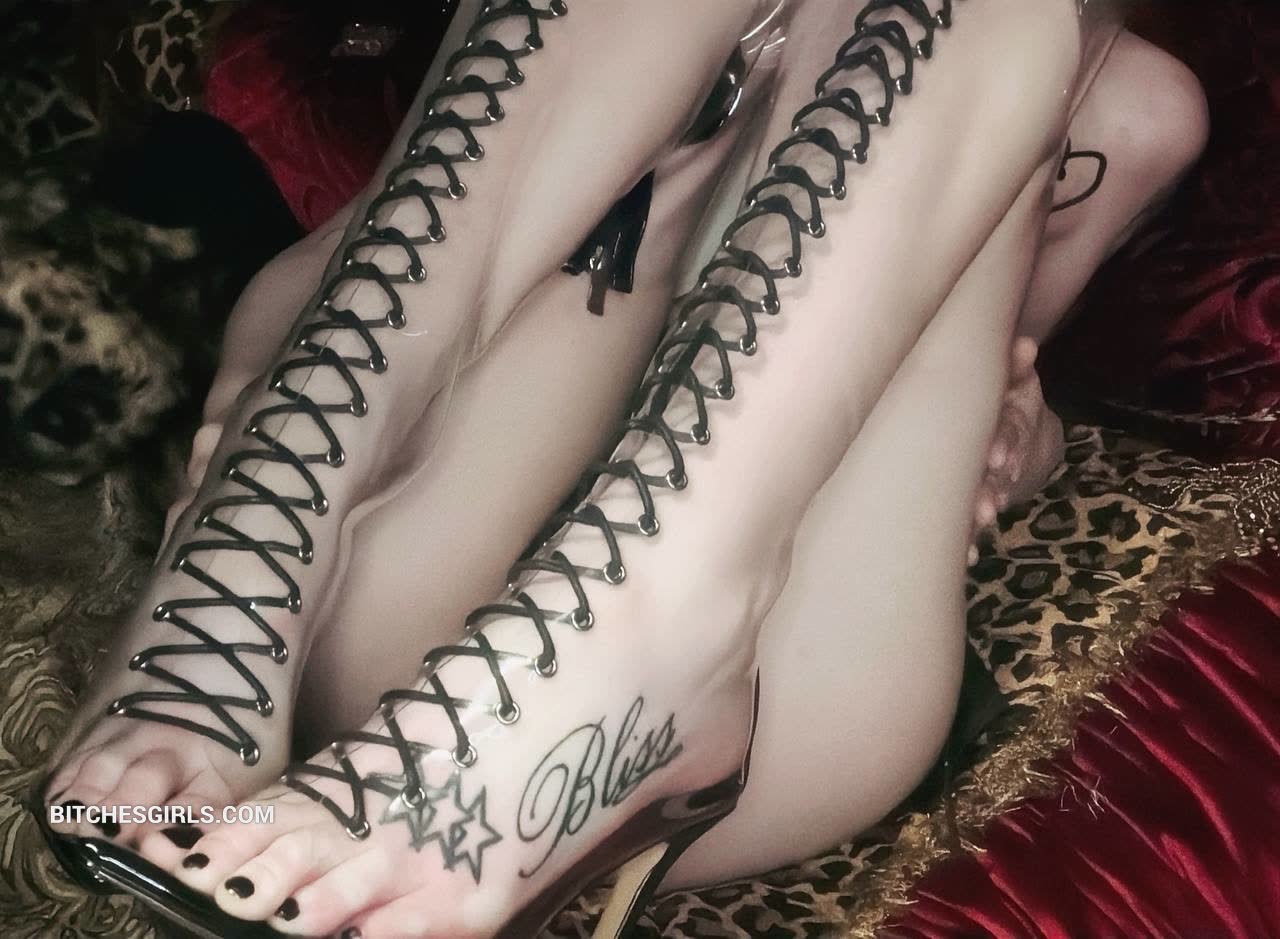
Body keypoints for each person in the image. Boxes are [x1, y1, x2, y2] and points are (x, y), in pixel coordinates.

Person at [35, 0, 1208, 935]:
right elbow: (330, 272)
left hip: (780, 681)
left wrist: (1017, 434)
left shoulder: (1122, 98)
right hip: (389, 609)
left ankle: (645, 638)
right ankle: (253, 547)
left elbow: (993, 413)